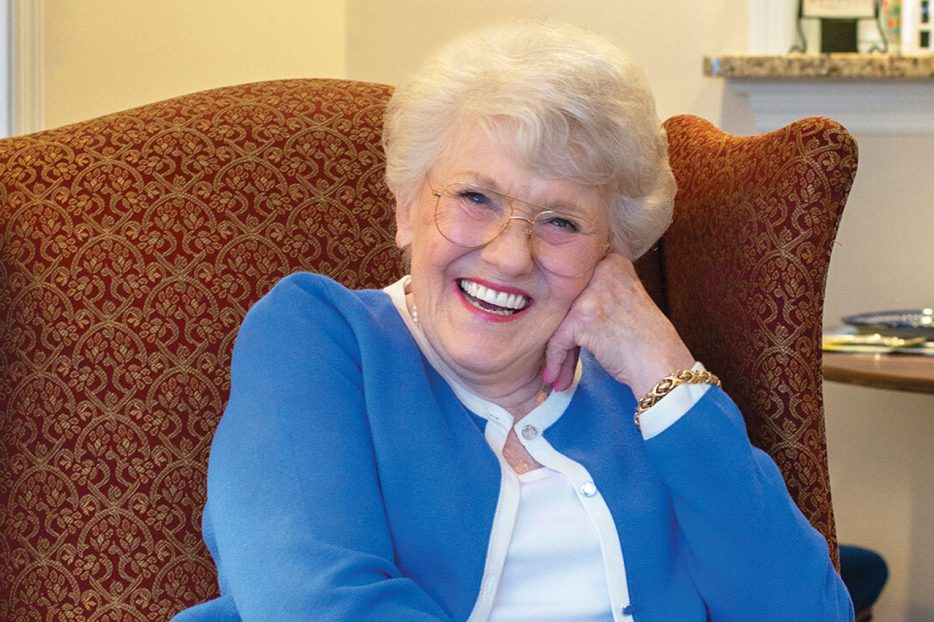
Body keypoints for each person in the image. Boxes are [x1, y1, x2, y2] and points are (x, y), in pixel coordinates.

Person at [174, 22, 854, 622]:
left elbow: (805, 611)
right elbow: (313, 603)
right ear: (407, 206)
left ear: (611, 252)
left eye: (561, 221)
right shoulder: (321, 337)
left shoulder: (643, 396)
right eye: (475, 197)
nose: (509, 253)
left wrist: (663, 368)